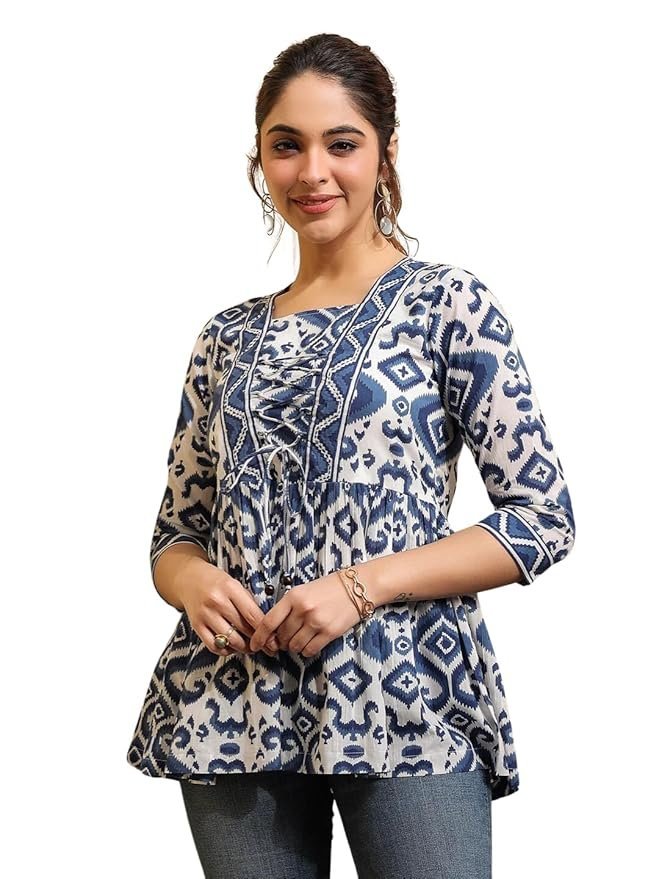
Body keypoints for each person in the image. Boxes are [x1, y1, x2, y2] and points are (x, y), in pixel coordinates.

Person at [126, 32, 576, 879]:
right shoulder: (225, 337)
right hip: (234, 704)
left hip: (406, 692)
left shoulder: (447, 304)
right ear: (258, 158)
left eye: (341, 143)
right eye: (285, 145)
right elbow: (176, 532)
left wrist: (360, 587)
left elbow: (541, 520)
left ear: (385, 151)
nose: (312, 172)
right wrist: (189, 582)